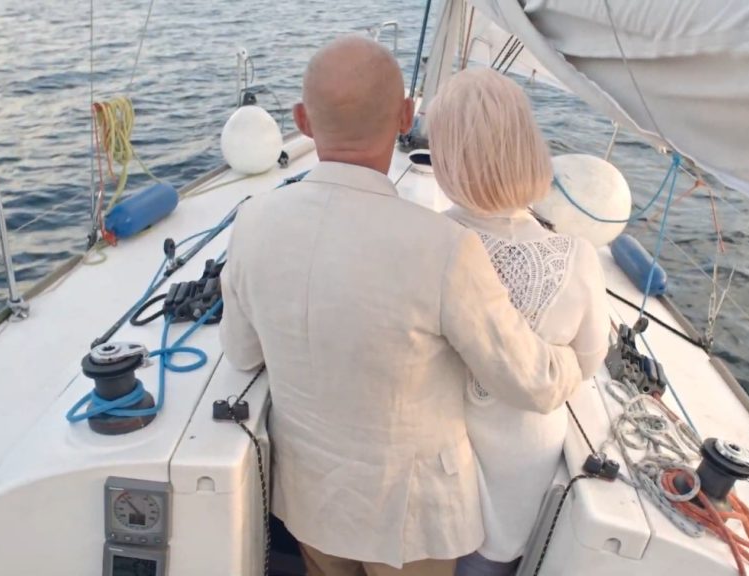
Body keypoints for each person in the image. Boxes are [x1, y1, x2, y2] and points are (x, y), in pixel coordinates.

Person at [219, 36, 590, 576]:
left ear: (301, 120)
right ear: (404, 116)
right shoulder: (444, 247)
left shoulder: (251, 222)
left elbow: (241, 352)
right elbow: (531, 383)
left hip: (309, 501)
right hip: (415, 522)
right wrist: (578, 360)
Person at [425, 68, 611, 576]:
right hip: (519, 470)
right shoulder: (576, 257)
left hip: (434, 469)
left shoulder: (426, 242)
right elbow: (591, 359)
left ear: (447, 159)